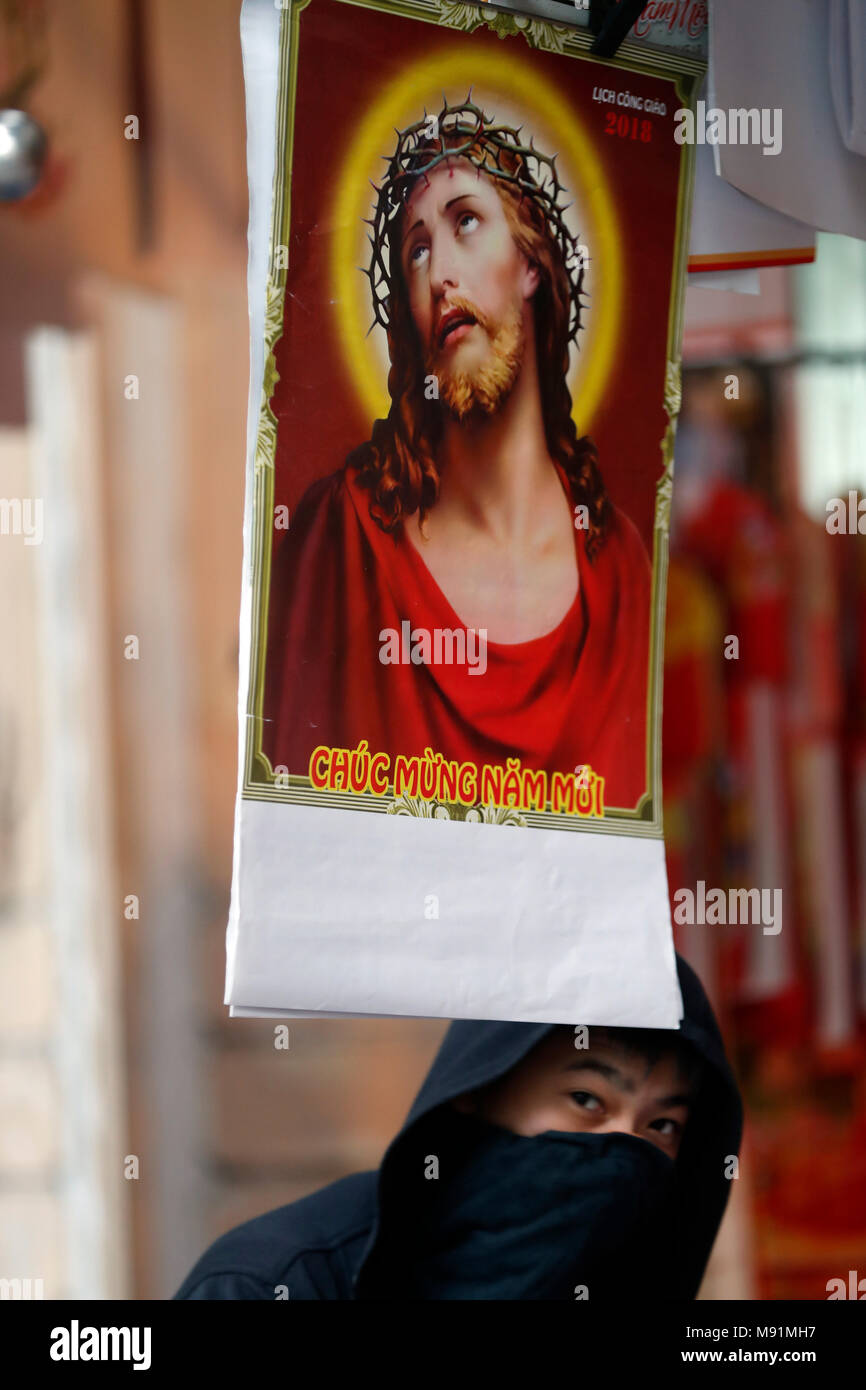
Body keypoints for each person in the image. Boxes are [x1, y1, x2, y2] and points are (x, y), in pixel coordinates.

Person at [263, 98, 651, 812]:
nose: (438, 271)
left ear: (532, 262)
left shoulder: (621, 569)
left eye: (465, 222)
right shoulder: (343, 535)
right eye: (415, 249)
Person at [173, 954, 743, 1300]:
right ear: (478, 1085)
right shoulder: (279, 1282)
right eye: (586, 1100)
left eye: (662, 1125)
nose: (624, 1148)